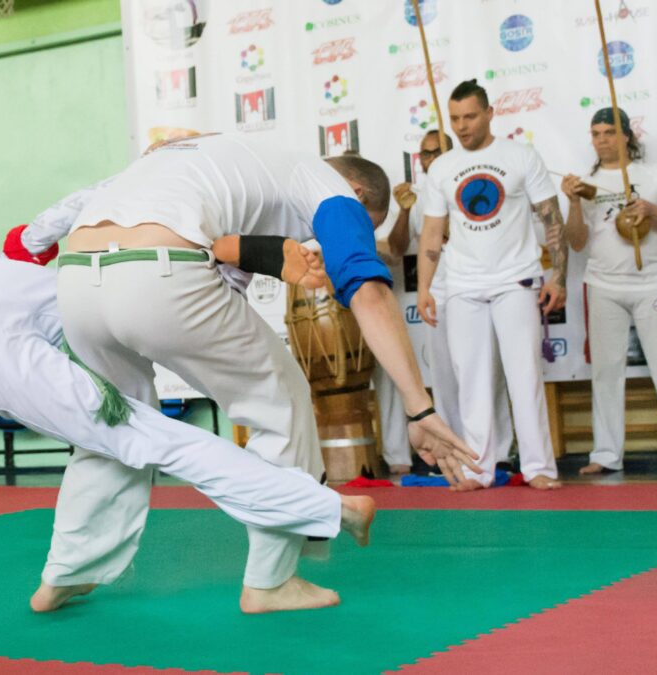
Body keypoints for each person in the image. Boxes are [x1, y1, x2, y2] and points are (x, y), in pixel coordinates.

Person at [33, 132, 479, 614]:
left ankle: (67, 570)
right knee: (281, 402)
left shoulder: (240, 159)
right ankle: (271, 581)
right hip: (154, 271)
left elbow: (219, 257)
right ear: (359, 194)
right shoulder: (329, 187)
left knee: (116, 419)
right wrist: (420, 406)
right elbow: (367, 291)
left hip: (76, 276)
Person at [0, 248, 376, 613]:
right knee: (133, 409)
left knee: (148, 438)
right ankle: (67, 572)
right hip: (34, 282)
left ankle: (325, 509)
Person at [417, 80, 563, 491]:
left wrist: (560, 276)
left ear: (489, 113)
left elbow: (551, 219)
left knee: (524, 375)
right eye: (455, 119)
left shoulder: (520, 156)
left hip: (515, 280)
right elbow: (431, 233)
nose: (462, 126)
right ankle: (479, 469)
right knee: (472, 380)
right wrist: (426, 288)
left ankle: (538, 468)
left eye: (470, 116)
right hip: (462, 284)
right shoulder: (443, 167)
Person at [561, 107, 657, 475]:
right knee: (606, 373)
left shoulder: (653, 174)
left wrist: (651, 209)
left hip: (649, 283)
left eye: (609, 132)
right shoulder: (587, 183)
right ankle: (605, 455)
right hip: (603, 285)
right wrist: (574, 202)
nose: (601, 140)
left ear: (627, 135)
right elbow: (576, 243)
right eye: (595, 133)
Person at [383, 129, 515, 473]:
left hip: (474, 286)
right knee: (444, 377)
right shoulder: (420, 195)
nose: (430, 159)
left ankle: (499, 452)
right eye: (424, 154)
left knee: (487, 371)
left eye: (436, 151)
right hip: (437, 294)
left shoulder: (467, 182)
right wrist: (402, 211)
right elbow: (397, 250)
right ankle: (456, 449)